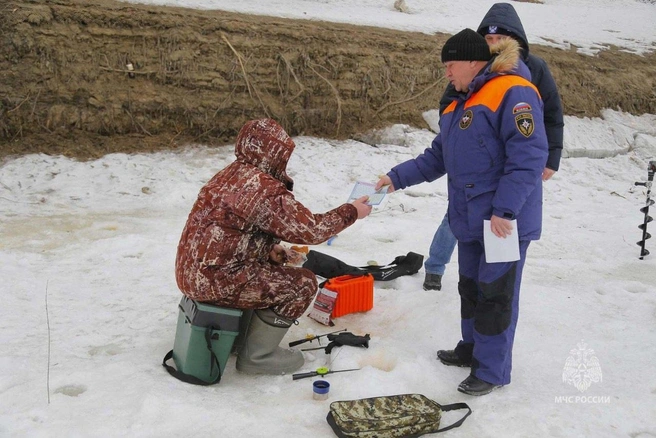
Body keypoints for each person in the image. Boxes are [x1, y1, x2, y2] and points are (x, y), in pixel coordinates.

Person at [376, 29, 548, 395]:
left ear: (473, 61)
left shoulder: (513, 91)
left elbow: (529, 156)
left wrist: (505, 210)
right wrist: (394, 179)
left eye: (450, 65)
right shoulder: (458, 104)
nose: (446, 73)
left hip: (503, 222)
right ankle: (472, 350)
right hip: (471, 220)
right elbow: (436, 157)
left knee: (495, 295)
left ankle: (491, 370)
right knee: (470, 288)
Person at [175, 118, 372, 375]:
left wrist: (265, 250)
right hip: (216, 281)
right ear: (274, 153)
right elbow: (311, 229)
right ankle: (258, 356)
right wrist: (352, 212)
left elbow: (225, 231)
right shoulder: (262, 189)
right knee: (302, 284)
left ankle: (236, 340)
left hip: (192, 274)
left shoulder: (230, 174)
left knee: (265, 269)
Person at [423, 2, 564, 292]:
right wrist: (460, 136)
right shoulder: (470, 70)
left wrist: (552, 157)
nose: (494, 44)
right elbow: (451, 104)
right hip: (475, 168)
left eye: (501, 39)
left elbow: (549, 116)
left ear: (516, 42)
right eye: (487, 39)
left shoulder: (533, 68)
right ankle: (435, 267)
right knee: (457, 217)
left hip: (509, 167)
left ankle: (495, 290)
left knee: (505, 221)